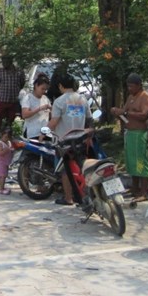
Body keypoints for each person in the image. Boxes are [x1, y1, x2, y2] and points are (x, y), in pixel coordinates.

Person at [49, 73, 93, 206]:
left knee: (65, 169)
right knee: (81, 167)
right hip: (80, 140)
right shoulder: (82, 99)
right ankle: (84, 194)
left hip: (64, 141)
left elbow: (54, 121)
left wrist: (43, 131)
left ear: (61, 86)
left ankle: (68, 198)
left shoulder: (59, 101)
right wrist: (89, 136)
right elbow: (90, 119)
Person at [111, 73, 148, 201]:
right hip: (129, 132)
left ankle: (144, 191)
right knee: (132, 162)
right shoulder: (130, 97)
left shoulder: (145, 96)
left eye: (132, 86)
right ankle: (134, 188)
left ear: (139, 85)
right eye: (128, 86)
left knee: (140, 162)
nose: (130, 89)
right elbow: (125, 115)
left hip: (139, 133)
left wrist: (125, 112)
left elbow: (144, 115)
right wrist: (118, 113)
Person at [0, 55, 26, 145]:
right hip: (2, 99)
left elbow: (22, 83)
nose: (4, 63)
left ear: (10, 61)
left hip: (13, 100)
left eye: (5, 61)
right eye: (3, 62)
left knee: (10, 120)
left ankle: (6, 136)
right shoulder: (0, 71)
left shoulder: (19, 72)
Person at [20, 73, 52, 139]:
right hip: (32, 133)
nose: (44, 91)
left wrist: (52, 109)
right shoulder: (28, 98)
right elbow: (24, 115)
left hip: (45, 133)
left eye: (45, 89)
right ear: (36, 85)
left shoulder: (46, 99)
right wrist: (39, 108)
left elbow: (50, 117)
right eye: (42, 89)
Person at [0, 127, 14, 195]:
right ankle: (1, 189)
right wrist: (6, 150)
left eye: (8, 137)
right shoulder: (0, 143)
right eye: (5, 137)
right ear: (1, 135)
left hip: (6, 163)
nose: (6, 139)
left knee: (5, 175)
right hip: (1, 163)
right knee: (2, 176)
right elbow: (0, 153)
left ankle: (3, 187)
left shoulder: (8, 142)